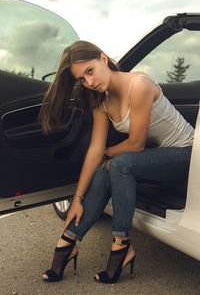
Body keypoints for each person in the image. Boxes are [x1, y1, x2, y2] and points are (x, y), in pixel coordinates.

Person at [39, 40, 194, 284]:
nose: (89, 82)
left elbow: (135, 145)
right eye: (81, 79)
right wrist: (77, 199)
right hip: (158, 158)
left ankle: (121, 248)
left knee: (119, 163)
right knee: (107, 165)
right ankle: (68, 241)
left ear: (103, 59)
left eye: (89, 71)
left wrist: (107, 153)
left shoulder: (139, 84)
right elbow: (95, 150)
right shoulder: (101, 101)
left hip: (189, 155)